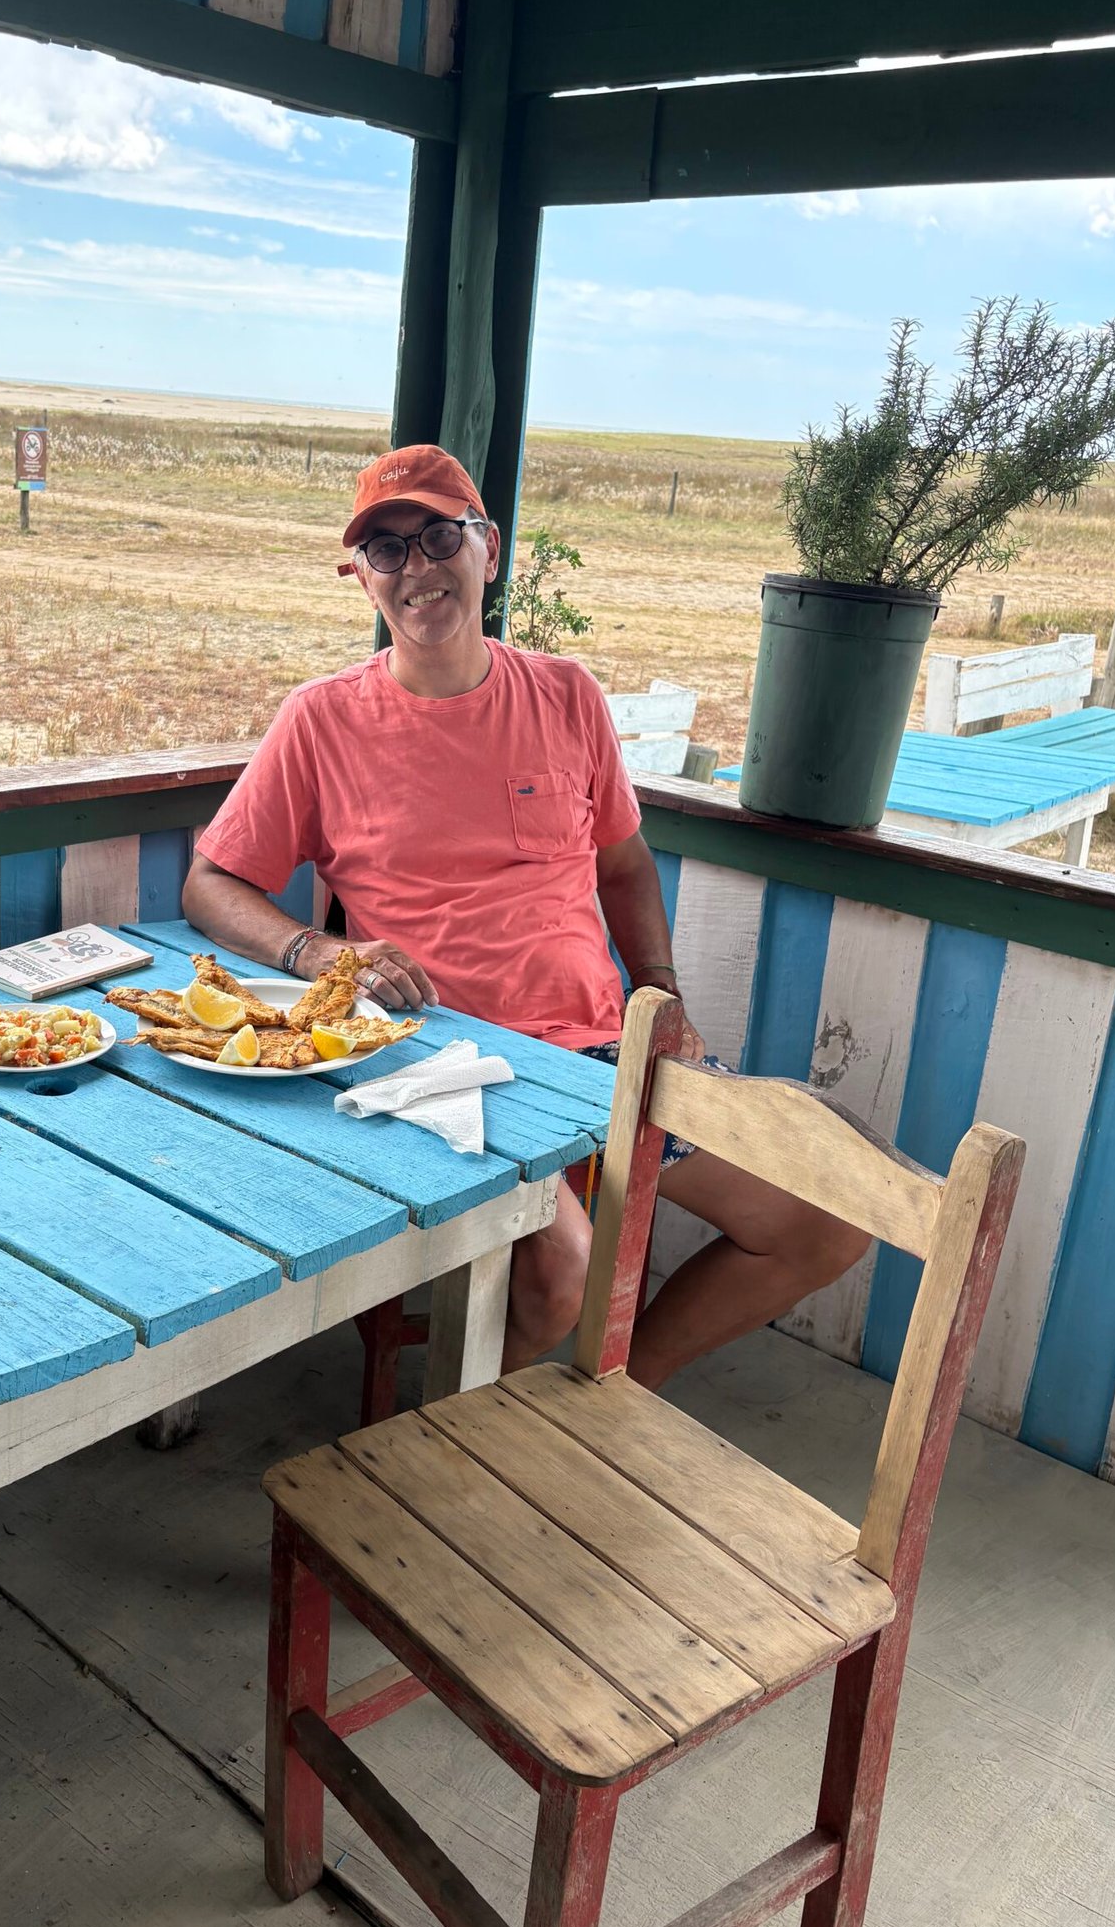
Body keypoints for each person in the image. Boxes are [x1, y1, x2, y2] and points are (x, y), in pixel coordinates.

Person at [182, 444, 867, 1386]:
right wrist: (318, 952)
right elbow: (210, 883)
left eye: (438, 537)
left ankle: (606, 1397)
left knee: (828, 1217)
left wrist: (661, 993)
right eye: (386, 550)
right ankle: (444, 1439)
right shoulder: (321, 720)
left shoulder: (566, 694)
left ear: (489, 549)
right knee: (562, 1277)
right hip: (442, 1060)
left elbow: (623, 864)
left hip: (604, 1058)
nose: (417, 567)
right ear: (363, 579)